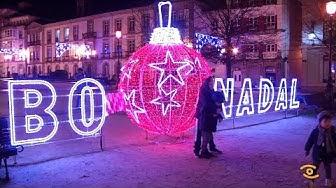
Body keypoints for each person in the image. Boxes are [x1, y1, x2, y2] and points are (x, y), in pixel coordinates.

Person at [305, 111, 336, 187]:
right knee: (314, 167)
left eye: (329, 121)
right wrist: (307, 149)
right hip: (317, 153)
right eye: (325, 121)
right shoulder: (315, 132)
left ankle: (328, 181)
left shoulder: (332, 131)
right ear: (320, 122)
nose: (328, 123)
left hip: (328, 153)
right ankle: (311, 181)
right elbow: (310, 141)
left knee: (328, 167)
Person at [194, 76, 223, 158]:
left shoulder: (210, 90)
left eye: (213, 82)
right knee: (203, 132)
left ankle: (211, 147)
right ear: (207, 82)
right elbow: (205, 104)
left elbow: (214, 101)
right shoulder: (204, 91)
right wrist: (214, 110)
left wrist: (218, 111)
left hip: (208, 114)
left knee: (208, 131)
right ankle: (200, 150)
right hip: (203, 115)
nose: (213, 83)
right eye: (211, 82)